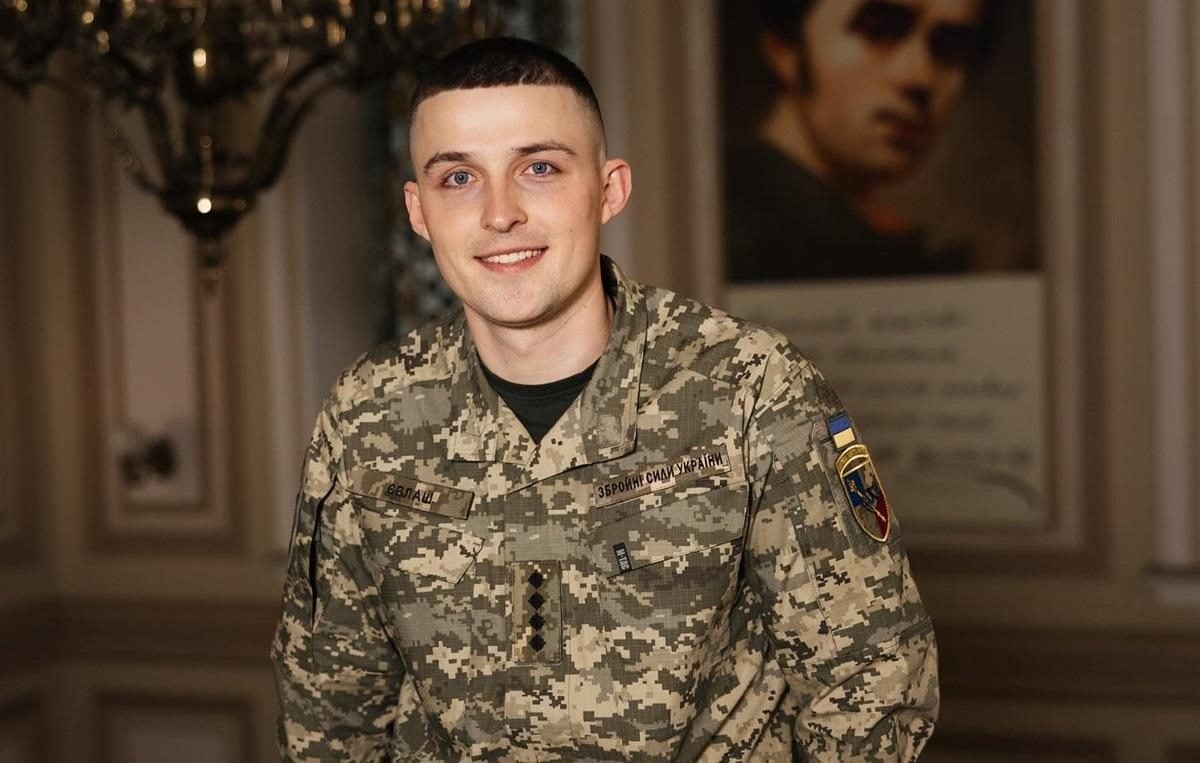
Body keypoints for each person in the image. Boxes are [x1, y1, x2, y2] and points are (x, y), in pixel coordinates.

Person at [272, 37, 937, 761]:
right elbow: (328, 710)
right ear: (419, 211)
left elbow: (871, 678)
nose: (500, 213)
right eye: (458, 178)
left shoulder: (750, 386)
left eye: (539, 168)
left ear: (610, 189)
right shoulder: (368, 412)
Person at [726, 0, 994, 281]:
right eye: (879, 30)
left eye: (952, 47)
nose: (920, 77)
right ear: (785, 47)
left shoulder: (871, 239)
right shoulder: (732, 231)